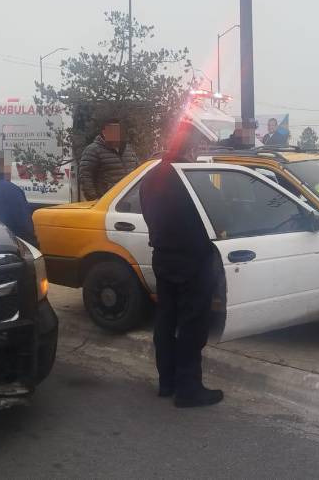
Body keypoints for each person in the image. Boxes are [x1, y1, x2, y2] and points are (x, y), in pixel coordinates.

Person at [139, 131, 223, 408]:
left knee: (165, 320)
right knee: (192, 325)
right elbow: (216, 212)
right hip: (193, 262)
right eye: (198, 146)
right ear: (191, 148)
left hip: (163, 258)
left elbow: (148, 213)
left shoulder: (151, 176)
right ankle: (189, 390)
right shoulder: (191, 177)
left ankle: (167, 383)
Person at [78, 121, 139, 200]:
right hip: (106, 201)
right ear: (104, 132)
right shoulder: (93, 150)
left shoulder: (128, 149)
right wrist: (93, 198)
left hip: (129, 199)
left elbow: (137, 170)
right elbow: (85, 177)